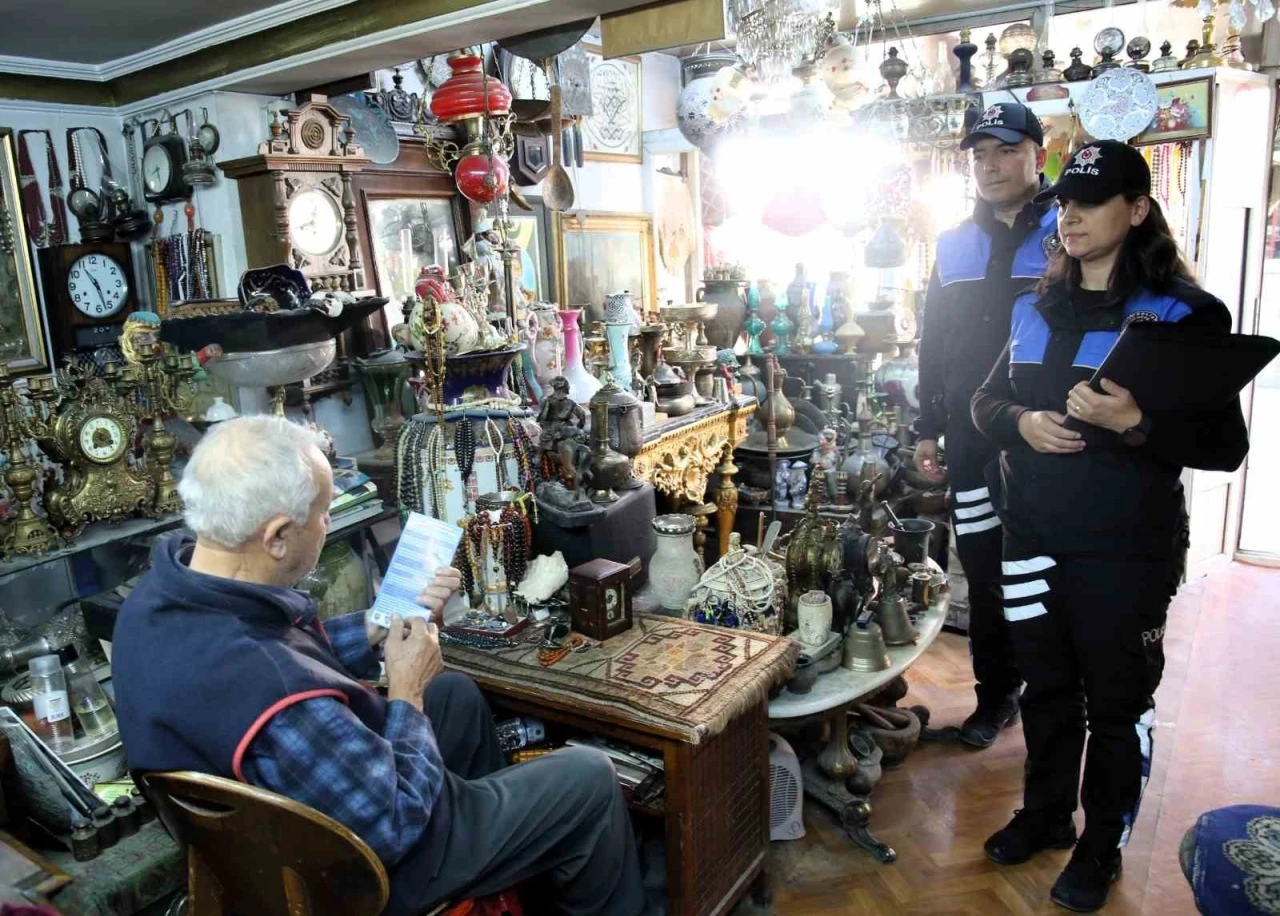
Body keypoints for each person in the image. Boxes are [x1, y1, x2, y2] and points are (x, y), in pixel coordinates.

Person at [112, 416, 644, 916]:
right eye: (324, 513)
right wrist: (406, 690)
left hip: (286, 831)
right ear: (275, 537)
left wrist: (379, 623)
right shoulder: (275, 696)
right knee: (589, 779)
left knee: (454, 695)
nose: (326, 524)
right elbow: (392, 823)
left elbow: (284, 651)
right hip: (365, 870)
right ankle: (490, 851)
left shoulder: (156, 601)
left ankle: (501, 870)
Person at [970, 140, 1248, 912]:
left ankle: (1102, 843)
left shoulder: (1182, 316)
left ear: (1137, 209)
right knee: (1046, 688)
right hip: (1030, 539)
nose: (1071, 216)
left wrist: (1135, 423)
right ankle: (1046, 814)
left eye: (1090, 202)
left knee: (1117, 706)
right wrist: (1022, 422)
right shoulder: (1033, 306)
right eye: (1064, 202)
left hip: (1126, 550)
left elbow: (1224, 447)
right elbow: (984, 403)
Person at [915, 101, 1057, 749]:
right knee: (982, 568)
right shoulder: (953, 244)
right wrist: (927, 427)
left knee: (1042, 574)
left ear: (1038, 155)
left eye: (1006, 150)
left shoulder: (1068, 231)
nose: (991, 165)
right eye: (979, 154)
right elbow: (934, 344)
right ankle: (997, 696)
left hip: (1045, 443)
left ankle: (1053, 698)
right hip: (971, 442)